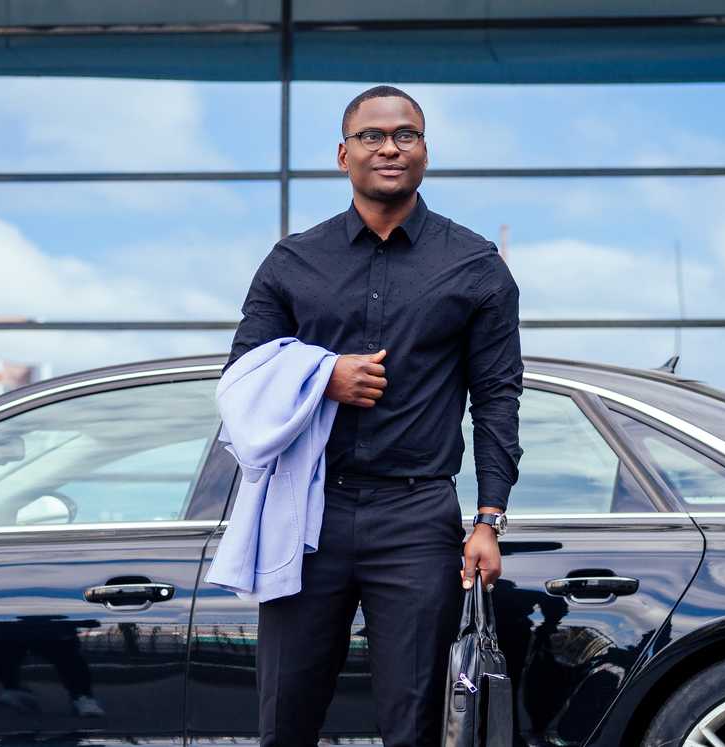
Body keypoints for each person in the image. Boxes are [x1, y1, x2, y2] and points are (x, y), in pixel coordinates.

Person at [223, 84, 523, 747]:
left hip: (416, 518)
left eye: (406, 135)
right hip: (308, 512)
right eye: (372, 136)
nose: (390, 146)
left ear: (424, 151)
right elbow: (241, 379)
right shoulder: (292, 262)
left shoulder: (475, 266)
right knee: (285, 721)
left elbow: (497, 398)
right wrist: (324, 374)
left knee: (413, 728)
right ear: (342, 154)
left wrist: (489, 518)